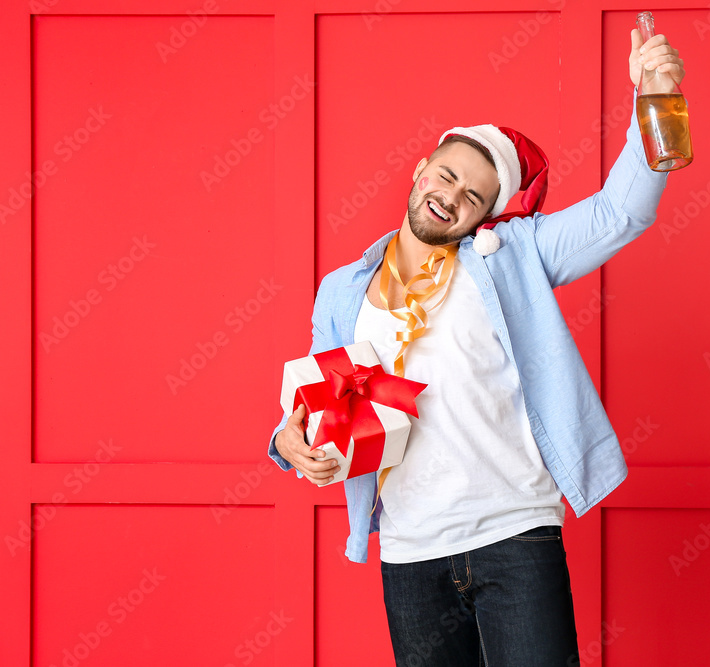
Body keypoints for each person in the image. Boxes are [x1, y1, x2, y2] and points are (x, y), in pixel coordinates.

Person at [267, 27, 686, 667]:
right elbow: (320, 413)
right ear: (419, 171)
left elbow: (619, 213)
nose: (451, 196)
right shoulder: (341, 292)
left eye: (474, 196)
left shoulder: (509, 257)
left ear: (486, 215)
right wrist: (291, 446)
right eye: (446, 175)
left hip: (514, 534)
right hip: (409, 552)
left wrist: (654, 102)